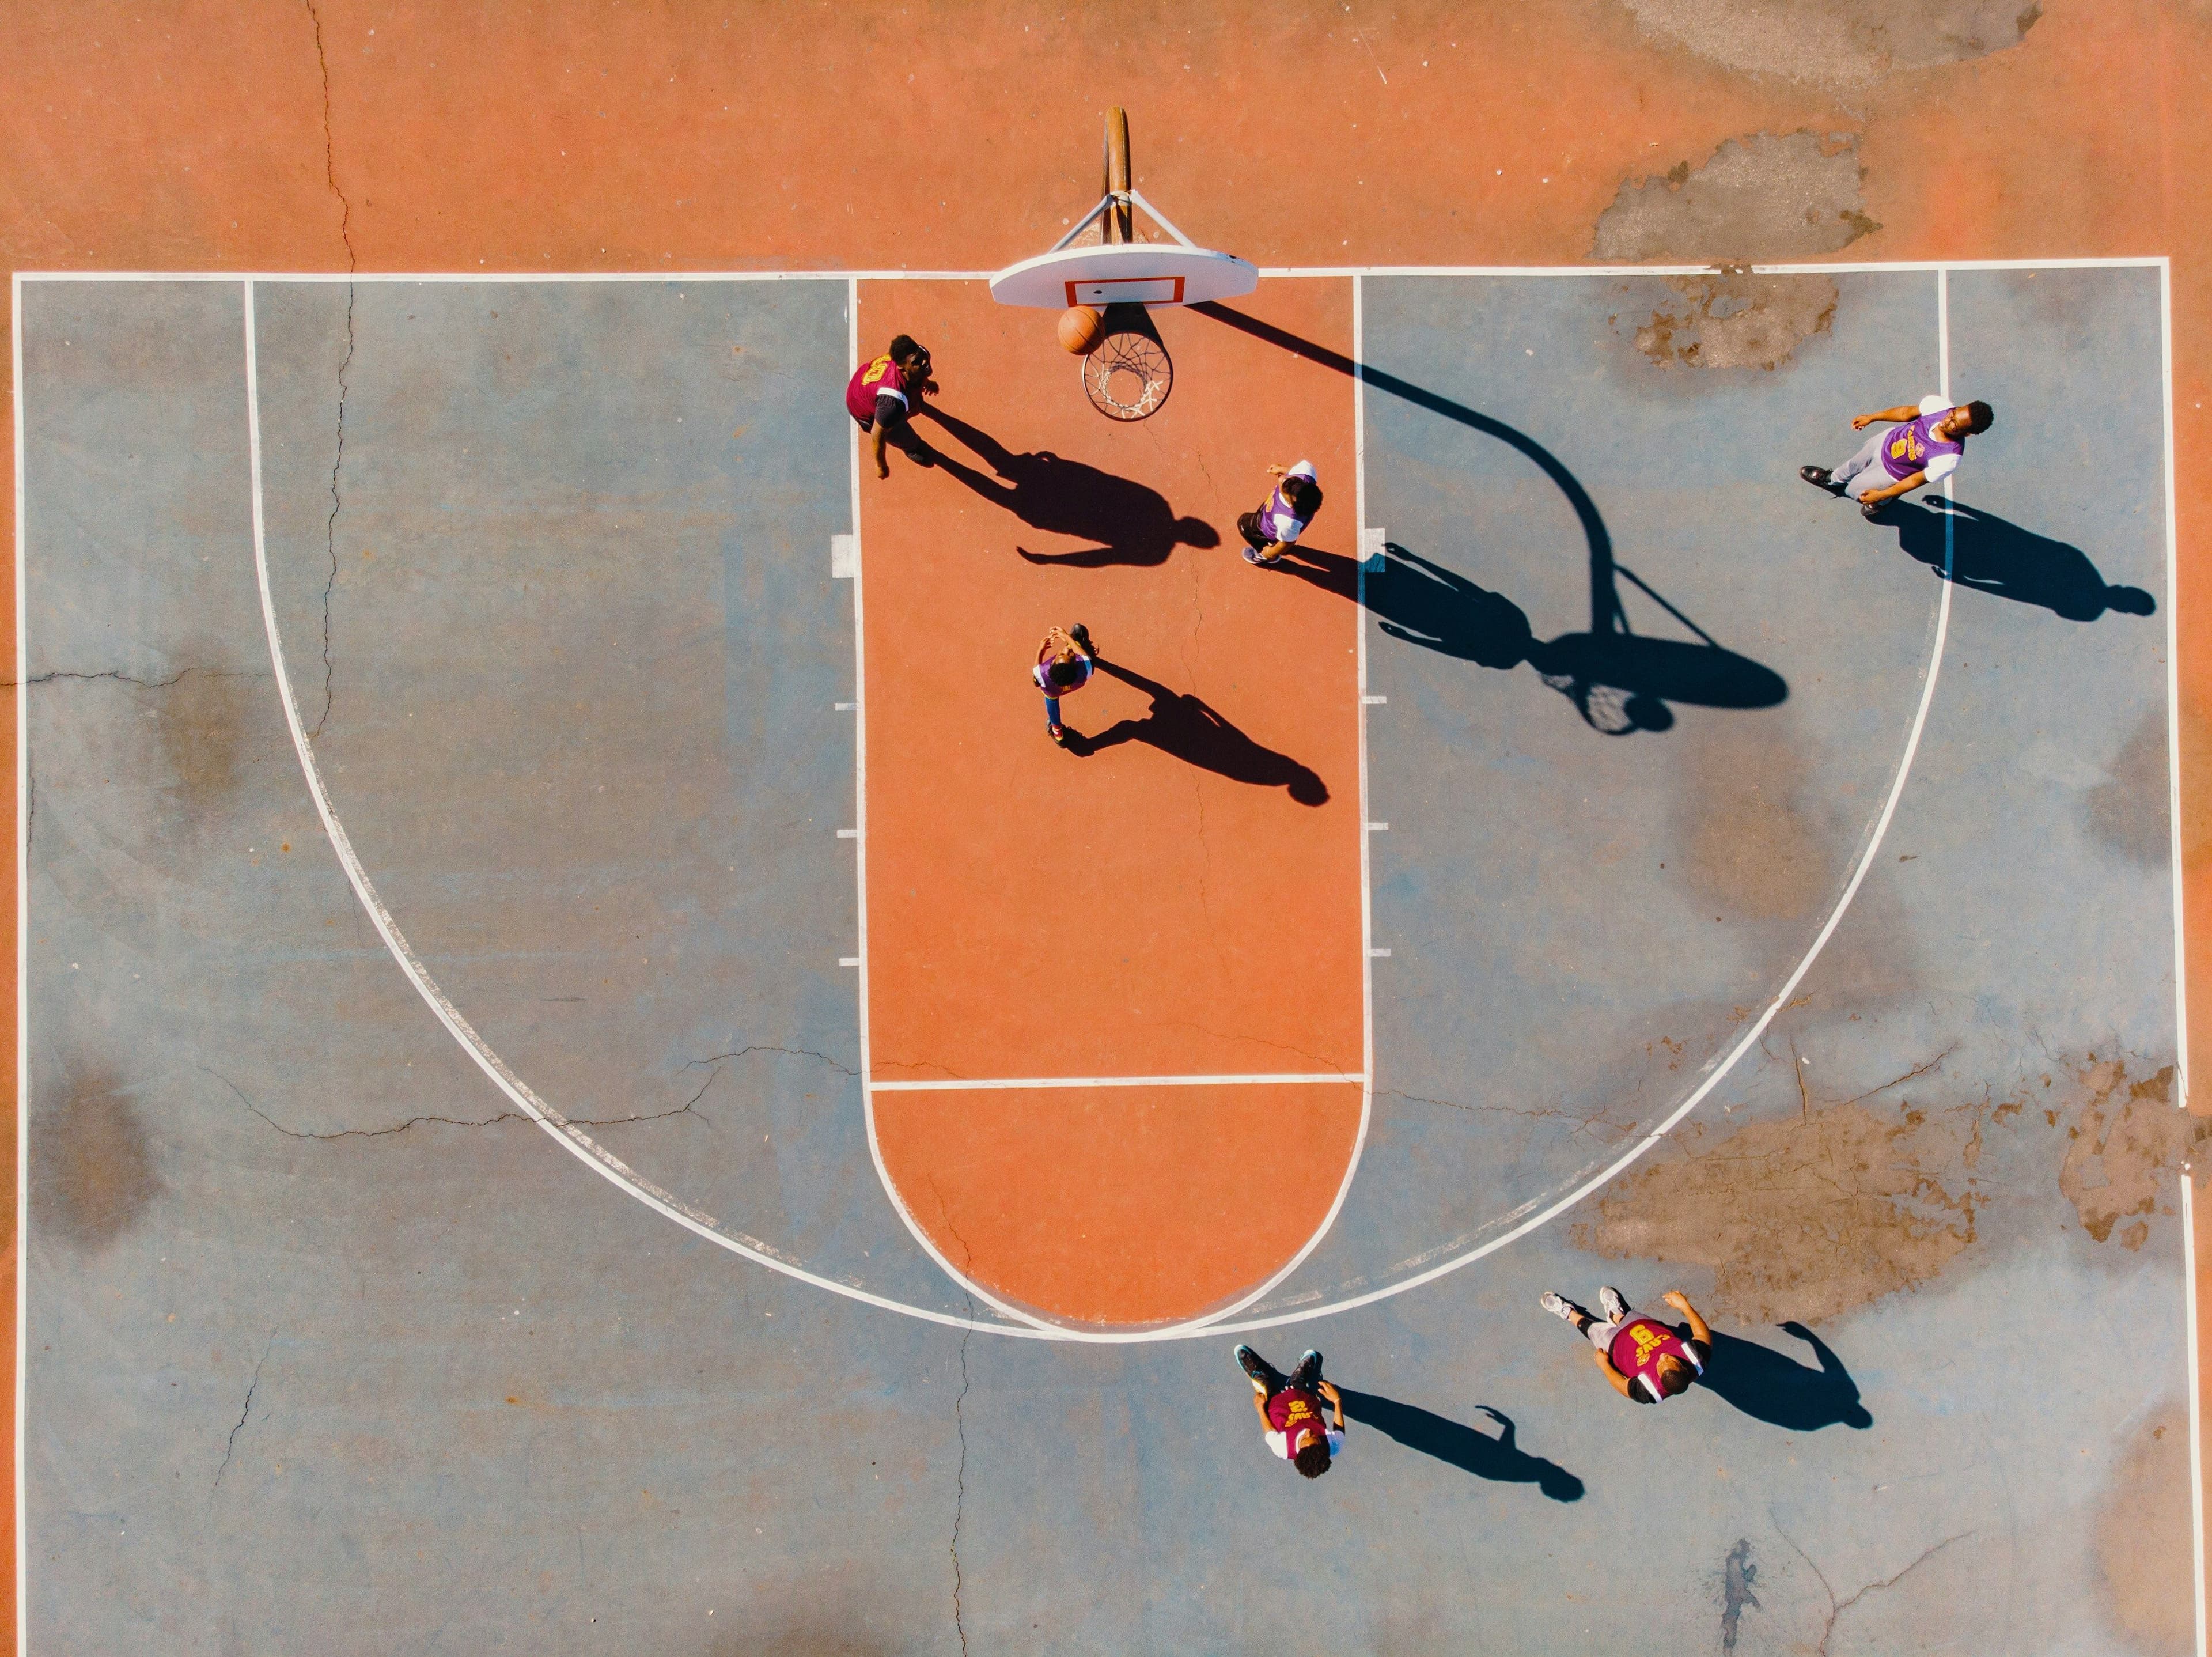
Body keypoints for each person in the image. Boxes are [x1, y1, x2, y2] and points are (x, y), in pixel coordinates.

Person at [1801, 397, 1994, 520]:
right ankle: (1831, 479)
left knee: (1853, 491)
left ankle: (1884, 502)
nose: (1947, 420)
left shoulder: (1948, 457)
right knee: (1851, 466)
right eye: (1953, 414)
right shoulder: (1940, 406)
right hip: (1885, 441)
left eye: (1955, 425)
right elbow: (1905, 413)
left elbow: (1915, 480)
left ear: (1967, 434)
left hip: (1891, 473)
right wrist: (1872, 417)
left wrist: (1882, 495)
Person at [1540, 1285, 1711, 1404]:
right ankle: (1614, 1313)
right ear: (1683, 1367)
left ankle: (1568, 1313)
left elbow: (1622, 1386)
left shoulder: (1649, 1391)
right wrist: (1685, 1306)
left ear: (1659, 1377)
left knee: (1590, 1328)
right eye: (1670, 1359)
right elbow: (1702, 1334)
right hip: (1643, 1326)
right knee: (1624, 1318)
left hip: (1615, 1345)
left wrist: (1605, 1366)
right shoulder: (1696, 1358)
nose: (1663, 1356)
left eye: (1661, 1364)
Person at [1234, 1344, 1344, 1478]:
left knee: (1267, 1388)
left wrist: (1260, 1408)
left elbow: (1270, 1432)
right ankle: (1298, 1379)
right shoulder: (1334, 1445)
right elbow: (1339, 1431)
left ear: (1299, 1452)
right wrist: (1337, 1401)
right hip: (1305, 1402)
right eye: (1315, 1437)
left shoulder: (1282, 1448)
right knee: (1298, 1384)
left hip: (1278, 1407)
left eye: (1305, 1438)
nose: (1309, 1432)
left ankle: (1259, 1375)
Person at [846, 335, 940, 479]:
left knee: (913, 400)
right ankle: (911, 448)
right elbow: (877, 434)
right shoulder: (892, 405)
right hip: (862, 407)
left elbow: (919, 367)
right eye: (917, 362)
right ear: (903, 369)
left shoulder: (915, 356)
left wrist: (927, 383)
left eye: (922, 356)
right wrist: (881, 466)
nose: (925, 361)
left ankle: (915, 403)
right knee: (902, 434)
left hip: (869, 382)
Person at [1238, 460, 1324, 564]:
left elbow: (1287, 543)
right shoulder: (1307, 470)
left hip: (1267, 528)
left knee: (1243, 525)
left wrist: (1269, 553)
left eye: (1286, 489)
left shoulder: (1288, 523)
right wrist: (1282, 469)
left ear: (1291, 503)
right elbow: (1294, 471)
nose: (1283, 478)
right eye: (1293, 480)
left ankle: (1261, 554)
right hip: (1271, 511)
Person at [1031, 623, 1096, 747]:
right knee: (1076, 646)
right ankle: (1078, 640)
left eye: (1062, 654)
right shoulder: (1085, 670)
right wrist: (1067, 637)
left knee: (1052, 705)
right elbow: (1084, 657)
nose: (1066, 651)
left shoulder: (1042, 674)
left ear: (1054, 662)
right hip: (1073, 685)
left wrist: (1040, 651)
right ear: (1075, 665)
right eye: (1070, 656)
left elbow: (1036, 680)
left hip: (1053, 691)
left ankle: (1058, 734)